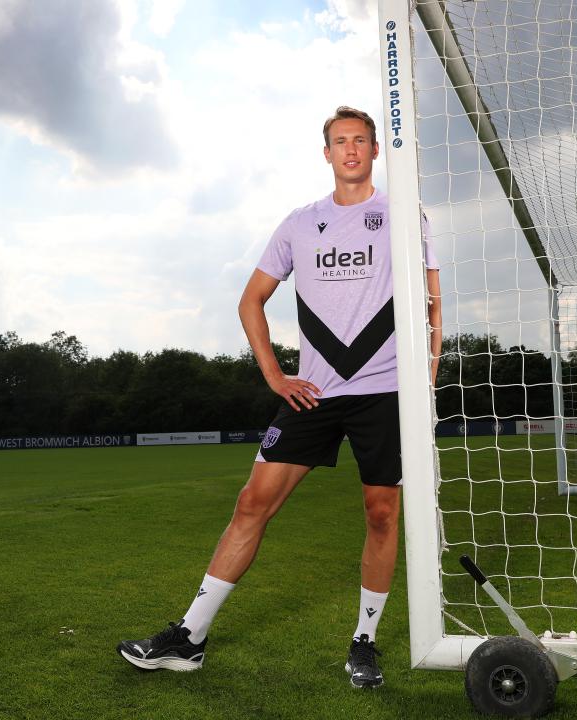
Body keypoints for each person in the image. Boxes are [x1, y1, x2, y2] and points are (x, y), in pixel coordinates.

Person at [116, 106, 442, 689]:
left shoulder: (404, 216)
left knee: (382, 513)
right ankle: (189, 638)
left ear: (373, 151)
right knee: (251, 503)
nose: (350, 150)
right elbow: (250, 300)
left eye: (361, 141)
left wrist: (429, 376)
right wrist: (274, 376)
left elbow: (433, 301)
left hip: (383, 392)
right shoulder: (299, 223)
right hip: (312, 394)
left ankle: (364, 642)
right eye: (340, 141)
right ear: (326, 153)